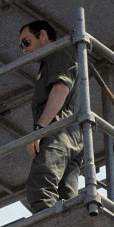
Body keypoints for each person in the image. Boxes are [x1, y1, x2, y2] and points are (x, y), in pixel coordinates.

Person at [19, 20, 83, 213]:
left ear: (43, 35)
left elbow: (60, 90)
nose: (24, 50)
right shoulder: (57, 59)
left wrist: (39, 130)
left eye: (26, 42)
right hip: (72, 134)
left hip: (58, 131)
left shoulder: (56, 53)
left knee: (40, 188)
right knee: (66, 198)